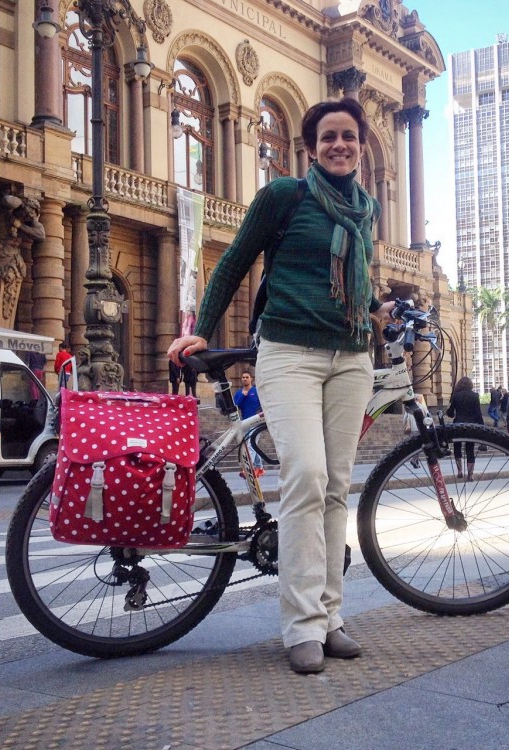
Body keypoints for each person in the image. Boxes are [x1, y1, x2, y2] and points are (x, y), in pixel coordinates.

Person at [168, 98, 395, 674]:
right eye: (328, 138)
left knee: (337, 486)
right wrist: (198, 331)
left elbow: (354, 285)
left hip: (351, 358)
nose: (339, 145)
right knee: (307, 475)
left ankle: (330, 617)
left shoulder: (365, 212)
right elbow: (234, 262)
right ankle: (300, 626)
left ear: (361, 147)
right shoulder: (284, 196)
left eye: (348, 136)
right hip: (289, 354)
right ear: (311, 148)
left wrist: (374, 311)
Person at [446, 377, 484, 481]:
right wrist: (482, 427)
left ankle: (459, 471)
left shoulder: (456, 396)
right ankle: (470, 475)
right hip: (471, 426)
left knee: (457, 447)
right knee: (470, 449)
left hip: (458, 424)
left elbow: (450, 413)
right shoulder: (475, 396)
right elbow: (478, 414)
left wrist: (450, 410)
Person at [234, 370, 265, 477]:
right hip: (245, 423)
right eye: (243, 377)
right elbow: (236, 405)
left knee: (250, 444)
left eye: (247, 377)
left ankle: (248, 468)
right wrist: (243, 395)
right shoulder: (238, 393)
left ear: (251, 379)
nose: (245, 379)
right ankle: (260, 467)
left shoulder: (256, 391)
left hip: (256, 422)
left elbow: (264, 403)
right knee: (252, 445)